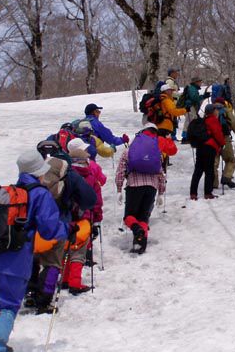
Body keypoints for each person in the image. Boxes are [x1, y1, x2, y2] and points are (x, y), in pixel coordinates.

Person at [0, 150, 71, 352]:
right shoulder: (39, 193)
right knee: (8, 306)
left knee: (3, 303)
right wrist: (66, 229)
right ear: (39, 171)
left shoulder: (7, 193)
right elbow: (49, 230)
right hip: (13, 260)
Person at [26, 142, 97, 313]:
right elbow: (89, 199)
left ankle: (30, 292)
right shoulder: (68, 172)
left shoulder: (34, 170)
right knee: (53, 263)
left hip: (32, 224)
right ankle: (44, 300)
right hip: (58, 222)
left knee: (34, 259)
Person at [115, 124, 167, 254]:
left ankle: (137, 230)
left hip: (134, 186)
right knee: (143, 217)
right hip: (152, 187)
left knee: (129, 217)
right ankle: (140, 245)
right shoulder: (156, 152)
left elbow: (120, 171)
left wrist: (119, 189)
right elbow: (160, 173)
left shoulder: (130, 150)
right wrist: (161, 192)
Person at [64, 138, 107, 293]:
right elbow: (96, 199)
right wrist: (97, 217)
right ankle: (75, 283)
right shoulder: (90, 173)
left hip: (67, 215)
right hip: (85, 217)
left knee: (66, 247)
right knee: (79, 250)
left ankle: (64, 279)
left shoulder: (65, 175)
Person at [190, 104, 225, 200]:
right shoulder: (213, 120)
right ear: (213, 111)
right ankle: (208, 193)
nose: (217, 111)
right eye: (216, 110)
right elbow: (217, 133)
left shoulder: (203, 120)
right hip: (209, 147)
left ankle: (193, 193)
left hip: (200, 147)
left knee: (198, 170)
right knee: (209, 170)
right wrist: (222, 144)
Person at [213, 98, 235, 189]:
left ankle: (213, 183)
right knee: (230, 160)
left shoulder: (210, 110)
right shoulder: (226, 110)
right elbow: (234, 123)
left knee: (214, 162)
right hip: (224, 138)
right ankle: (226, 177)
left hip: (212, 139)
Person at [181, 77, 210, 144]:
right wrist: (203, 96)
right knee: (189, 121)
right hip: (190, 107)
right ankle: (185, 137)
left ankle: (188, 136)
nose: (201, 83)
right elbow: (195, 98)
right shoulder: (192, 88)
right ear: (196, 82)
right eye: (199, 81)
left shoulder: (193, 88)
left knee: (191, 121)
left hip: (190, 107)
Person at [165, 68, 182, 141]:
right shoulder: (169, 81)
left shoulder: (172, 81)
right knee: (172, 119)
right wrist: (180, 95)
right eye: (175, 73)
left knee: (173, 119)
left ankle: (172, 135)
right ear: (171, 73)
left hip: (173, 102)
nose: (177, 74)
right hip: (172, 103)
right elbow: (169, 92)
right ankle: (172, 136)